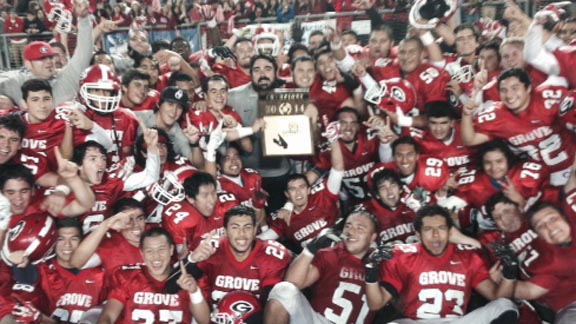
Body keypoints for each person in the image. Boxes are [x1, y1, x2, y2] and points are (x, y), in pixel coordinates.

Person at [365, 205, 519, 323]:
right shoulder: (402, 256)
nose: (436, 235)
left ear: (450, 232)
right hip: (416, 322)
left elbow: (497, 297)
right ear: (418, 234)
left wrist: (510, 273)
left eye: (441, 228)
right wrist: (371, 274)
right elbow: (376, 304)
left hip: (457, 322)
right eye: (428, 229)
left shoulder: (467, 256)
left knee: (505, 306)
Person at [461, 68, 576, 186]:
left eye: (515, 88)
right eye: (503, 90)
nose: (509, 95)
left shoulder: (548, 96)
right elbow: (470, 140)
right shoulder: (496, 115)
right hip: (545, 177)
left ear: (528, 88)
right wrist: (466, 115)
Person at [169, 205, 292, 314]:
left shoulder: (270, 255)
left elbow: (274, 309)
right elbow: (170, 288)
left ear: (255, 230)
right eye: (235, 227)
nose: (241, 234)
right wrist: (192, 259)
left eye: (247, 227)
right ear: (225, 231)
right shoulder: (211, 250)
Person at [263, 210, 379, 324]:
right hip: (319, 321)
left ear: (372, 237)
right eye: (348, 226)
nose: (351, 232)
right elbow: (293, 282)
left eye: (360, 228)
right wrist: (310, 250)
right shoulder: (331, 254)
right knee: (284, 289)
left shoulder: (382, 262)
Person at [96, 227, 210, 324]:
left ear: (171, 250)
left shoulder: (187, 277)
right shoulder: (128, 277)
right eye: (149, 251)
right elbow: (109, 316)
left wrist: (194, 291)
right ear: (142, 253)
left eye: (161, 250)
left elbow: (204, 321)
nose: (156, 257)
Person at [9, 218, 107, 324]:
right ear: (53, 242)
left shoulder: (100, 273)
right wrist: (20, 264)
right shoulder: (44, 269)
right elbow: (27, 279)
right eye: (61, 239)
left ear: (82, 242)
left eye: (73, 239)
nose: (67, 245)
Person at [0, 0, 94, 107]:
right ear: (28, 64)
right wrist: (6, 100)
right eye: (41, 58)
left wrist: (84, 19)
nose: (49, 61)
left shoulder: (67, 76)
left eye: (50, 57)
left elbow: (84, 51)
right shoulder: (16, 83)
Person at [228, 54, 291, 213]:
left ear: (276, 72)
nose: (262, 74)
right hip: (246, 173)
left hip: (279, 172)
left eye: (267, 69)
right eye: (257, 70)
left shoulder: (289, 97)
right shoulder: (233, 96)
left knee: (278, 220)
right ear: (250, 73)